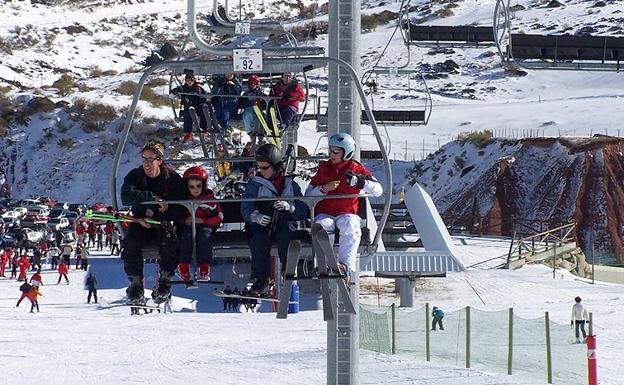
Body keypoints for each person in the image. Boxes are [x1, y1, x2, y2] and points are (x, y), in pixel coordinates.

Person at [306, 133, 383, 279]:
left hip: (347, 212)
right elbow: (308, 194)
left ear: (346, 152)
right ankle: (323, 264)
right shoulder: (324, 169)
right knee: (322, 226)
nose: (332, 154)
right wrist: (323, 189)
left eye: (336, 151)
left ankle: (346, 265)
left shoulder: (357, 169)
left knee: (350, 225)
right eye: (330, 150)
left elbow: (378, 190)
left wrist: (361, 183)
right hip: (325, 212)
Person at [120, 140, 186, 304]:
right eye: (144, 159)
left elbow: (181, 206)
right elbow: (126, 196)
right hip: (139, 220)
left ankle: (165, 280)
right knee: (130, 242)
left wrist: (162, 215)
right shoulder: (135, 176)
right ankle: (135, 283)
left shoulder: (172, 178)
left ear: (159, 160)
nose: (147, 164)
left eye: (151, 160)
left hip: (161, 222)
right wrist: (151, 197)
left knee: (169, 242)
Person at [240, 143, 307, 296]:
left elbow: (303, 209)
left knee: (287, 233)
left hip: (284, 218)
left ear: (275, 166)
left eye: (265, 168)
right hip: (264, 219)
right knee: (258, 239)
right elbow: (246, 206)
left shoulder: (290, 185)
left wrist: (291, 208)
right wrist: (254, 216)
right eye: (259, 167)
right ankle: (262, 278)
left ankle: (287, 268)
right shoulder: (255, 185)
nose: (261, 171)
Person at [177, 166, 223, 282]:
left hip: (205, 227)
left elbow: (219, 216)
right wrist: (184, 221)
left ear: (204, 186)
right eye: (191, 187)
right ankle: (183, 266)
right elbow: (177, 216)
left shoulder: (209, 199)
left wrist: (203, 221)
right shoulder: (184, 199)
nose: (195, 190)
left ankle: (204, 266)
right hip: (188, 227)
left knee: (204, 236)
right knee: (185, 237)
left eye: (198, 186)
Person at [170, 73, 208, 142]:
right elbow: (174, 91)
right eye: (187, 81)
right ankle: (188, 133)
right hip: (188, 107)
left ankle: (203, 130)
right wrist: (174, 92)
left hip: (197, 106)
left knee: (203, 113)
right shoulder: (183, 88)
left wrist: (201, 99)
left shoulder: (198, 88)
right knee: (187, 114)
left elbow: (204, 97)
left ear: (193, 80)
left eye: (190, 80)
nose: (189, 82)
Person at [239, 74, 266, 138]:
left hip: (258, 110)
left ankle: (262, 131)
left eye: (254, 83)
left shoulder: (261, 94)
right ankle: (250, 131)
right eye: (251, 83)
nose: (253, 85)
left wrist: (261, 102)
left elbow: (265, 103)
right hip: (249, 110)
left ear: (257, 84)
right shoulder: (246, 94)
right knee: (248, 113)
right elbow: (241, 104)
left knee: (263, 115)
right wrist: (251, 103)